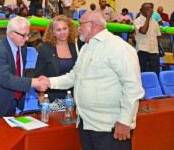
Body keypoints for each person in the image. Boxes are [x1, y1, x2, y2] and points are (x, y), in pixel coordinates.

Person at [39, 11, 144, 150]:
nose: (77, 28)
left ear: (93, 25)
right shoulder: (86, 47)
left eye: (81, 24)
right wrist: (49, 82)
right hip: (86, 124)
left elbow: (132, 87)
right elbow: (74, 76)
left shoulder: (117, 47)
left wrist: (125, 121)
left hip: (110, 127)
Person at [0, 16, 47, 127]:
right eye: (24, 35)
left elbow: (18, 72)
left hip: (11, 102)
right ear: (11, 34)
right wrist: (34, 82)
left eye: (28, 34)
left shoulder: (23, 47)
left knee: (8, 139)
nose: (27, 38)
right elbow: (6, 79)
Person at [35, 15, 78, 103]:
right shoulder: (45, 48)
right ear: (53, 32)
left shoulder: (76, 46)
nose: (62, 32)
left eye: (64, 28)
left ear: (69, 29)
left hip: (74, 95)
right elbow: (39, 73)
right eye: (58, 30)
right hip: (51, 96)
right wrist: (41, 94)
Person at [134, 3, 161, 76]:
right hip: (142, 50)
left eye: (151, 9)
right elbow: (143, 31)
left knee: (155, 73)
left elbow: (158, 36)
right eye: (147, 9)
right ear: (142, 11)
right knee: (142, 72)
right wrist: (148, 19)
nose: (150, 11)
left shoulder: (155, 22)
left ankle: (155, 86)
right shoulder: (137, 21)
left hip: (154, 50)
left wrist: (156, 47)